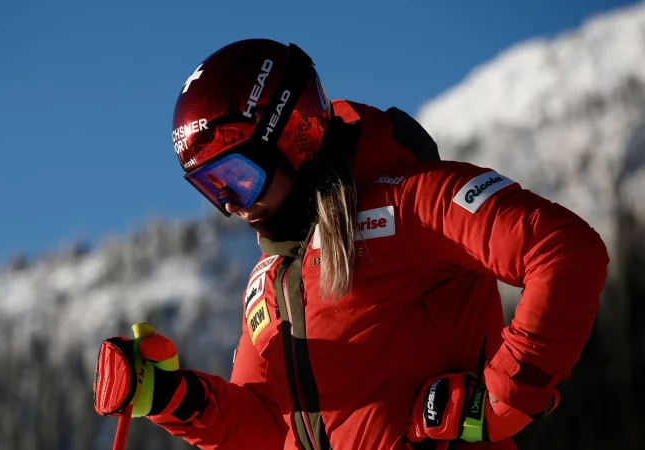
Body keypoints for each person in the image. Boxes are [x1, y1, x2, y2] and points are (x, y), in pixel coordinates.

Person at [92, 39, 609, 449]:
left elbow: (564, 251)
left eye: (236, 176)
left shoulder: (408, 204)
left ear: (292, 136)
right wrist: (171, 397)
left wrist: (502, 398)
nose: (229, 204)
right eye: (210, 188)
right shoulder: (266, 286)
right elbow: (276, 431)